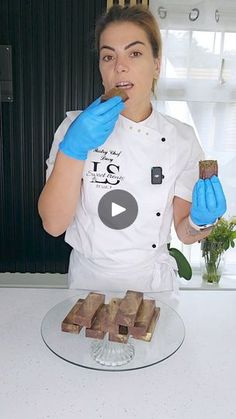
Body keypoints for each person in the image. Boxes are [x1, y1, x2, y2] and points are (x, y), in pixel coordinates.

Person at [38, 5, 226, 294]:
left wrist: (203, 221)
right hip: (89, 282)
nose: (120, 66)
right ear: (101, 68)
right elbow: (53, 224)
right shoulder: (73, 128)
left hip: (151, 284)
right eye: (108, 56)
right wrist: (73, 148)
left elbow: (185, 233)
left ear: (157, 64)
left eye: (134, 53)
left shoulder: (181, 139)